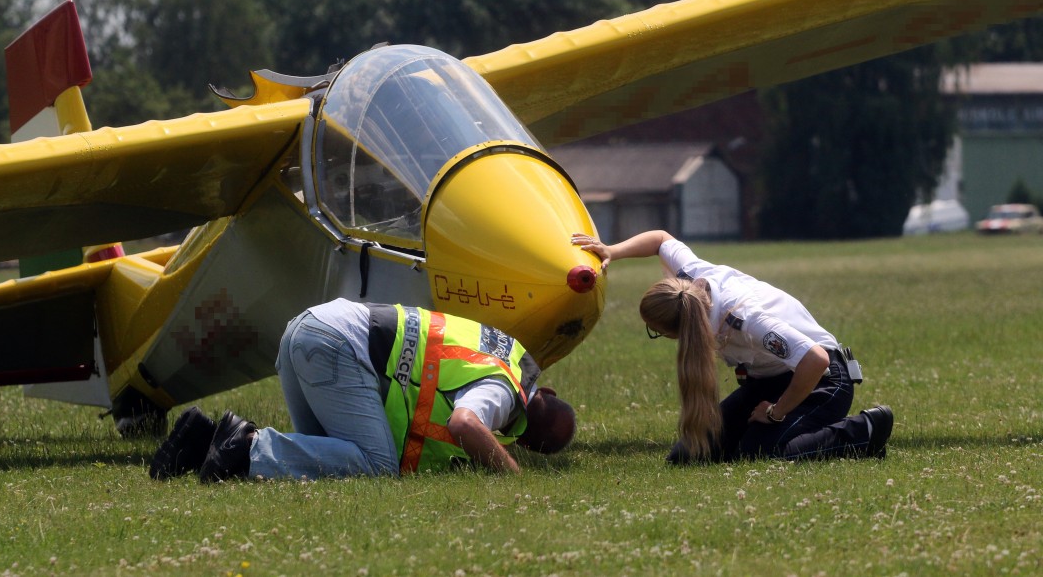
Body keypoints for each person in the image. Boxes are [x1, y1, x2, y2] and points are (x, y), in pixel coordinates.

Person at [149, 299, 576, 482]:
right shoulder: (506, 391)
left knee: (326, 455)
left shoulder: (507, 351)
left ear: (550, 392)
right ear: (521, 435)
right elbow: (465, 423)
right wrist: (512, 473)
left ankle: (203, 439)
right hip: (338, 345)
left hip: (311, 325)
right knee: (375, 465)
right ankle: (247, 447)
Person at [572, 229, 893, 464]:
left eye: (658, 332)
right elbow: (660, 239)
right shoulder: (691, 277)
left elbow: (816, 359)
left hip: (822, 381)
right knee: (689, 455)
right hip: (769, 380)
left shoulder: (746, 319)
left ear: (682, 331)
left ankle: (863, 431)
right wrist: (611, 250)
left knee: (759, 454)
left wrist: (776, 412)